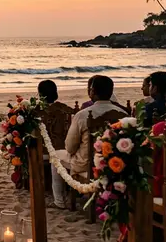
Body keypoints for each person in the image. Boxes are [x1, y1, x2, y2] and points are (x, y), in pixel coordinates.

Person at [50, 75, 121, 210]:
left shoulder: (83, 114)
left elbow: (70, 147)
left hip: (85, 165)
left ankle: (59, 200)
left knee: (56, 156)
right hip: (114, 164)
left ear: (92, 91)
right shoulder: (123, 113)